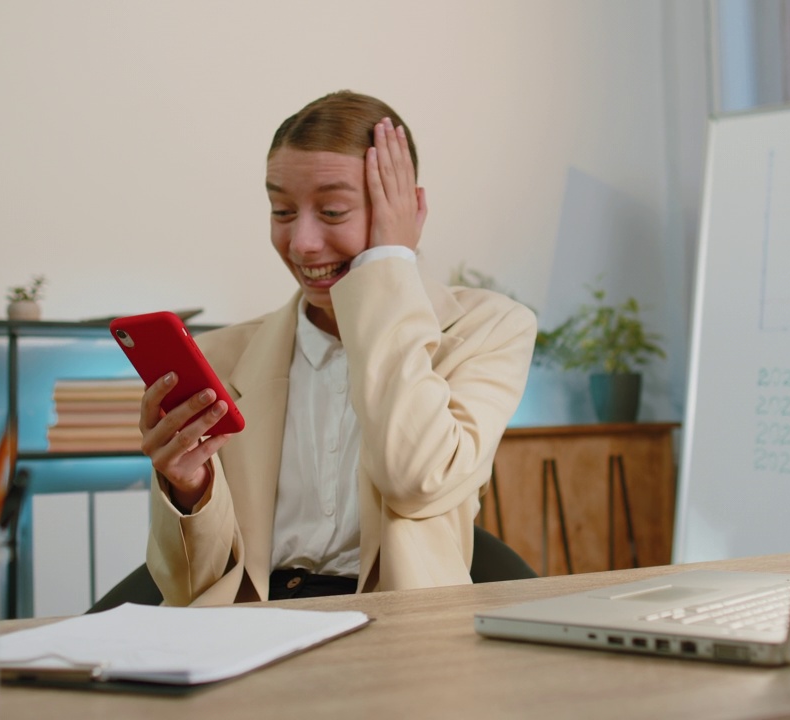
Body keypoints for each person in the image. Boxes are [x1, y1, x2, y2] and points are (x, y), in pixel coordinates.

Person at [141, 91, 537, 606]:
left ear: (409, 212)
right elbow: (186, 587)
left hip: (394, 637)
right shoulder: (222, 356)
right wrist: (189, 492)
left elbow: (414, 480)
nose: (302, 242)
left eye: (332, 211)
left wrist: (390, 266)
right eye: (282, 210)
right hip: (248, 632)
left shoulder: (489, 328)